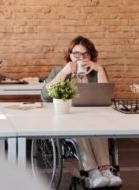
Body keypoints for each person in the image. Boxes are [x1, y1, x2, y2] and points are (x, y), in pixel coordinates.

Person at [41, 36, 122, 188]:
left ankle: (105, 171)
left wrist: (99, 69)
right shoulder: (59, 71)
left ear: (91, 56)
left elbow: (106, 97)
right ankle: (92, 173)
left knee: (98, 130)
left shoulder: (95, 72)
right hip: (68, 120)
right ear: (70, 55)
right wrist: (64, 72)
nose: (81, 58)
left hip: (93, 118)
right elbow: (45, 96)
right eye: (76, 54)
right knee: (82, 130)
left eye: (85, 54)